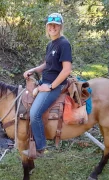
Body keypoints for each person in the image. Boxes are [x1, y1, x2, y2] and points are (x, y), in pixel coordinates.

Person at [22, 13, 72, 158]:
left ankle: (40, 148)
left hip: (55, 85)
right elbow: (47, 64)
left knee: (34, 113)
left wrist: (49, 87)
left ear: (60, 26)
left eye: (56, 25)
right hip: (45, 81)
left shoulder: (64, 44)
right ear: (47, 27)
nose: (53, 27)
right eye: (50, 25)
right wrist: (33, 70)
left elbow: (67, 70)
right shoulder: (50, 44)